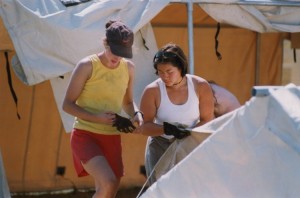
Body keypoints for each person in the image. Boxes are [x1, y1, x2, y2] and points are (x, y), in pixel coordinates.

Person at [62, 20, 143, 198]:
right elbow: (67, 104)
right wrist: (96, 117)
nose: (117, 58)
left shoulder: (129, 68)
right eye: (115, 52)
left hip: (112, 137)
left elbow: (128, 102)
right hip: (85, 134)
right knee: (109, 181)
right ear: (105, 43)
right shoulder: (86, 65)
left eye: (123, 54)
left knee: (110, 189)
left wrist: (136, 114)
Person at [138, 43, 215, 185]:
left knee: (189, 189)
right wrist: (166, 129)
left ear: (181, 68)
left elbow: (208, 120)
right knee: (161, 191)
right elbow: (144, 127)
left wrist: (188, 133)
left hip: (190, 144)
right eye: (160, 72)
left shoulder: (200, 86)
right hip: (160, 145)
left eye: (169, 71)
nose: (164, 76)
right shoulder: (152, 91)